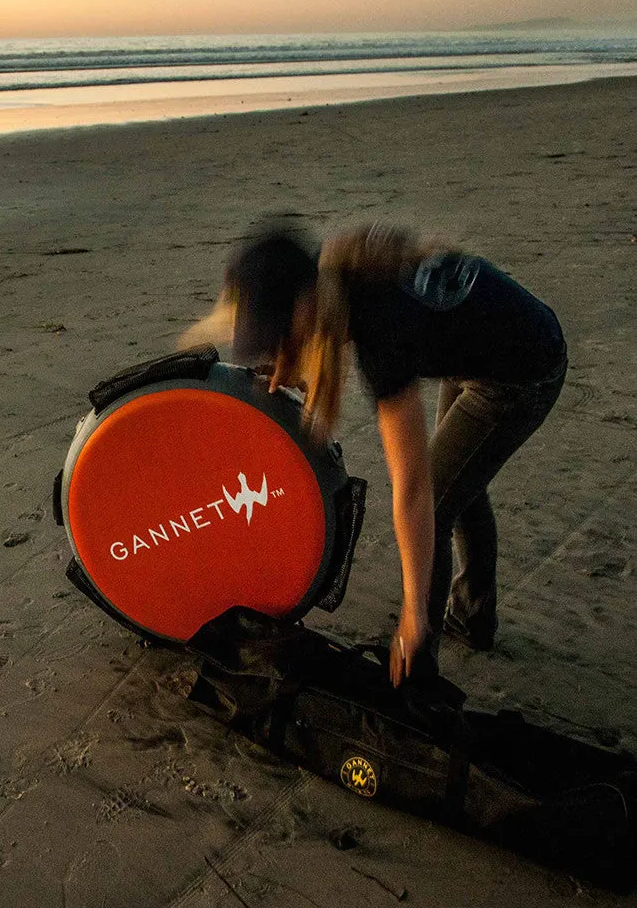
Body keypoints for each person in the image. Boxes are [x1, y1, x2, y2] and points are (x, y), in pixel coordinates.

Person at [200, 218, 567, 685]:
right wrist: (290, 361)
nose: (277, 343)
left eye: (278, 328)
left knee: (435, 497)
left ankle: (419, 671)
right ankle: (473, 618)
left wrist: (413, 613)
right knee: (460, 480)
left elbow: (412, 491)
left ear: (307, 298)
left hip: (523, 369)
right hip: (478, 346)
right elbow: (318, 333)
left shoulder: (381, 325)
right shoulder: (336, 271)